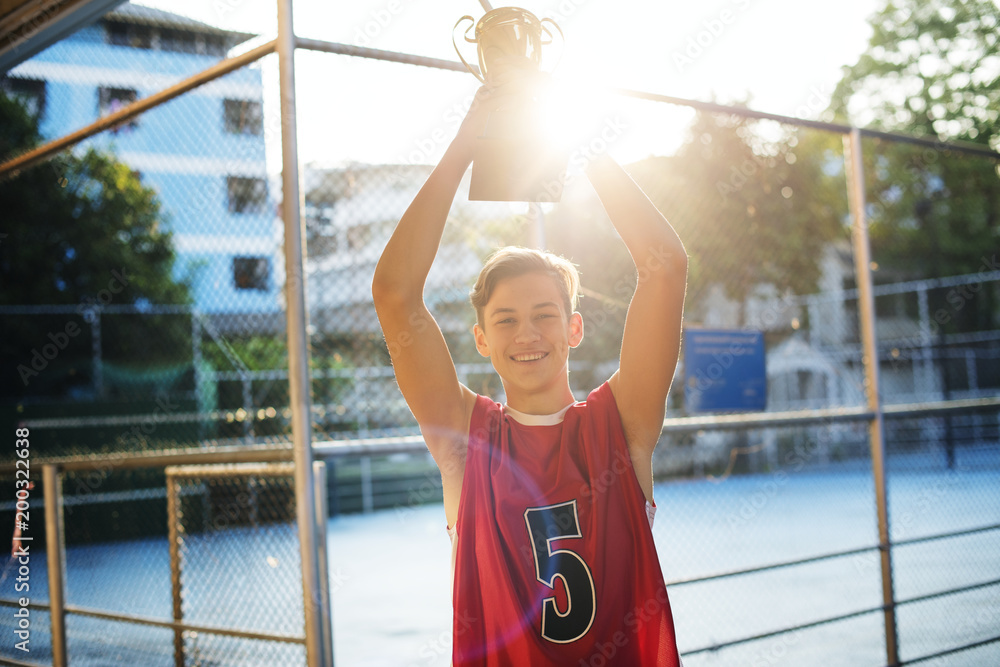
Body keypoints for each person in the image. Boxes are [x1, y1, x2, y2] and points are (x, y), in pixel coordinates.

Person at [372, 64, 688, 666]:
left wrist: (575, 134)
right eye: (507, 320)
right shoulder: (466, 441)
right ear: (483, 340)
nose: (528, 333)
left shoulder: (621, 425)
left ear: (574, 328)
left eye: (545, 314)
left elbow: (664, 265)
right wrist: (469, 142)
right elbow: (394, 293)